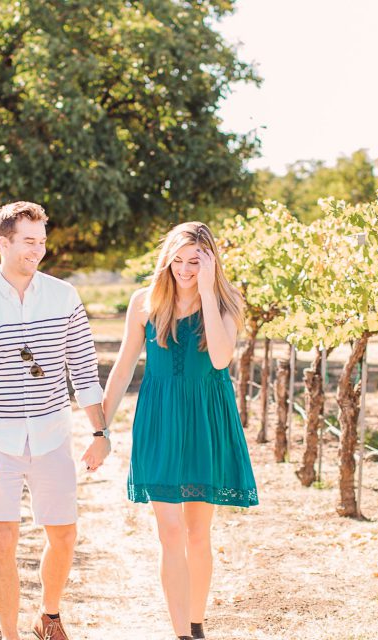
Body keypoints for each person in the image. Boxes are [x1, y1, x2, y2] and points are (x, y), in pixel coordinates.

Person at [0, 201, 111, 640]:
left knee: (64, 536)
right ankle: (10, 636)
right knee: (3, 539)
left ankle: (49, 615)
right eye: (28, 241)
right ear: (3, 243)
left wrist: (99, 432)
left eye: (41, 241)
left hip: (51, 434)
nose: (38, 250)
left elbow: (84, 369)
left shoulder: (64, 296)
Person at [102, 221, 259, 640]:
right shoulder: (145, 302)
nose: (186, 270)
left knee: (197, 533)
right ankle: (182, 634)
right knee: (170, 532)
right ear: (166, 260)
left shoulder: (226, 302)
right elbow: (123, 368)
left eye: (195, 262)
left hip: (206, 420)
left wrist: (207, 292)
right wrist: (100, 430)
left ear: (210, 263)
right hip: (161, 419)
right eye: (179, 261)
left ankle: (196, 621)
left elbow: (221, 359)